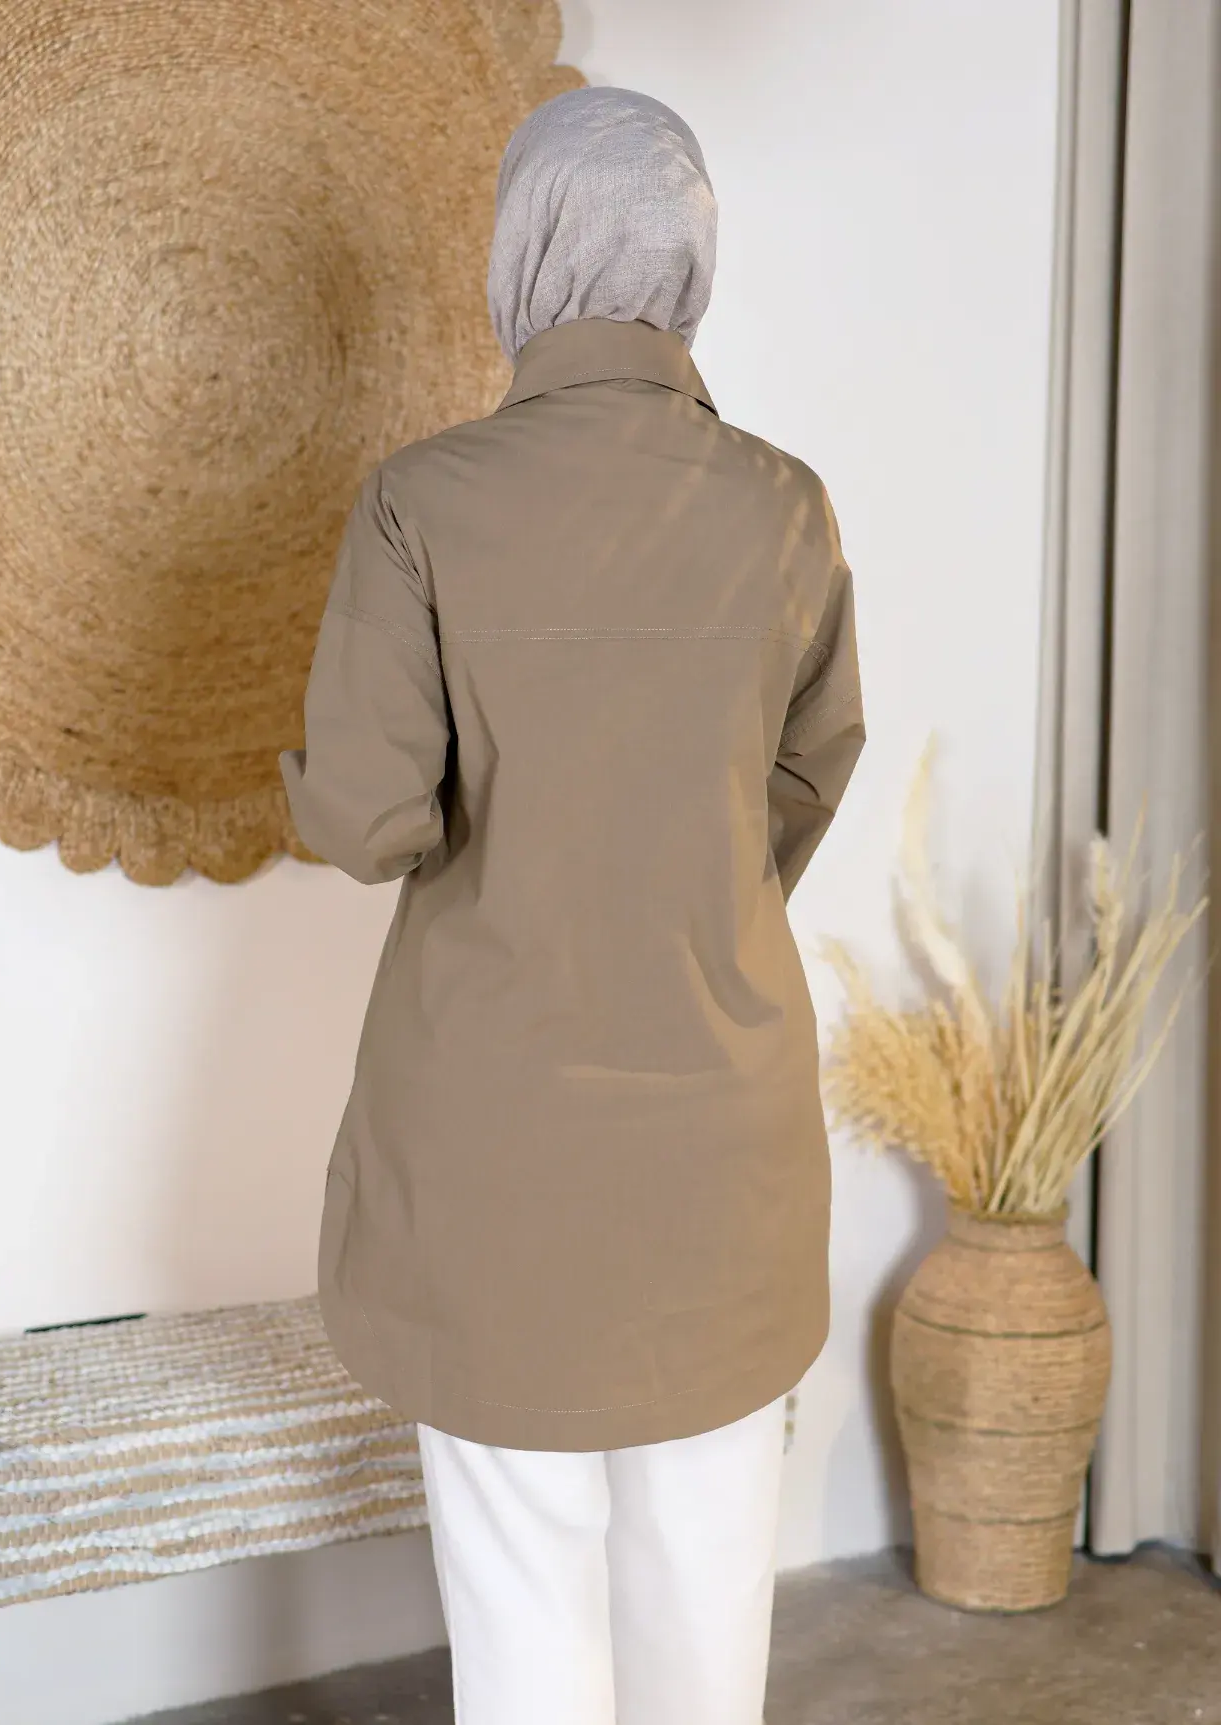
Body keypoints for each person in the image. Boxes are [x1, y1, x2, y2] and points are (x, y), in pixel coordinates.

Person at [281, 84, 865, 1725]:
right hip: (723, 1153)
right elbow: (807, 777)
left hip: (496, 1159)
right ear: (690, 260)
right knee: (706, 1610)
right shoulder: (787, 505)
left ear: (523, 253)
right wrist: (681, 879)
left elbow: (368, 821)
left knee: (524, 1615)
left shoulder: (423, 501)